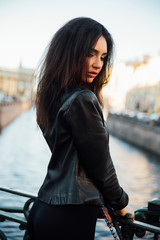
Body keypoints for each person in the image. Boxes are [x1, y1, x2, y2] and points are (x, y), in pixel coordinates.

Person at [27, 17, 132, 240]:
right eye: (90, 53)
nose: (98, 64)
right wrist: (121, 204)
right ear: (70, 52)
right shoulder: (83, 99)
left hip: (43, 207)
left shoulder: (53, 99)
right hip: (70, 216)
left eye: (103, 57)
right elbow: (101, 165)